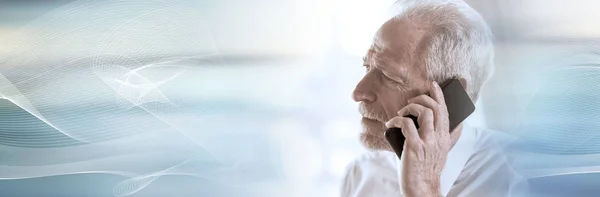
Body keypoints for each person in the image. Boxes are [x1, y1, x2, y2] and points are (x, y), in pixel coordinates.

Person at [341, 1, 528, 197]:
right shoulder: (361, 174)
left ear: (450, 96)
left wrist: (424, 190)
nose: (358, 93)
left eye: (389, 76)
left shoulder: (518, 178)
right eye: (367, 67)